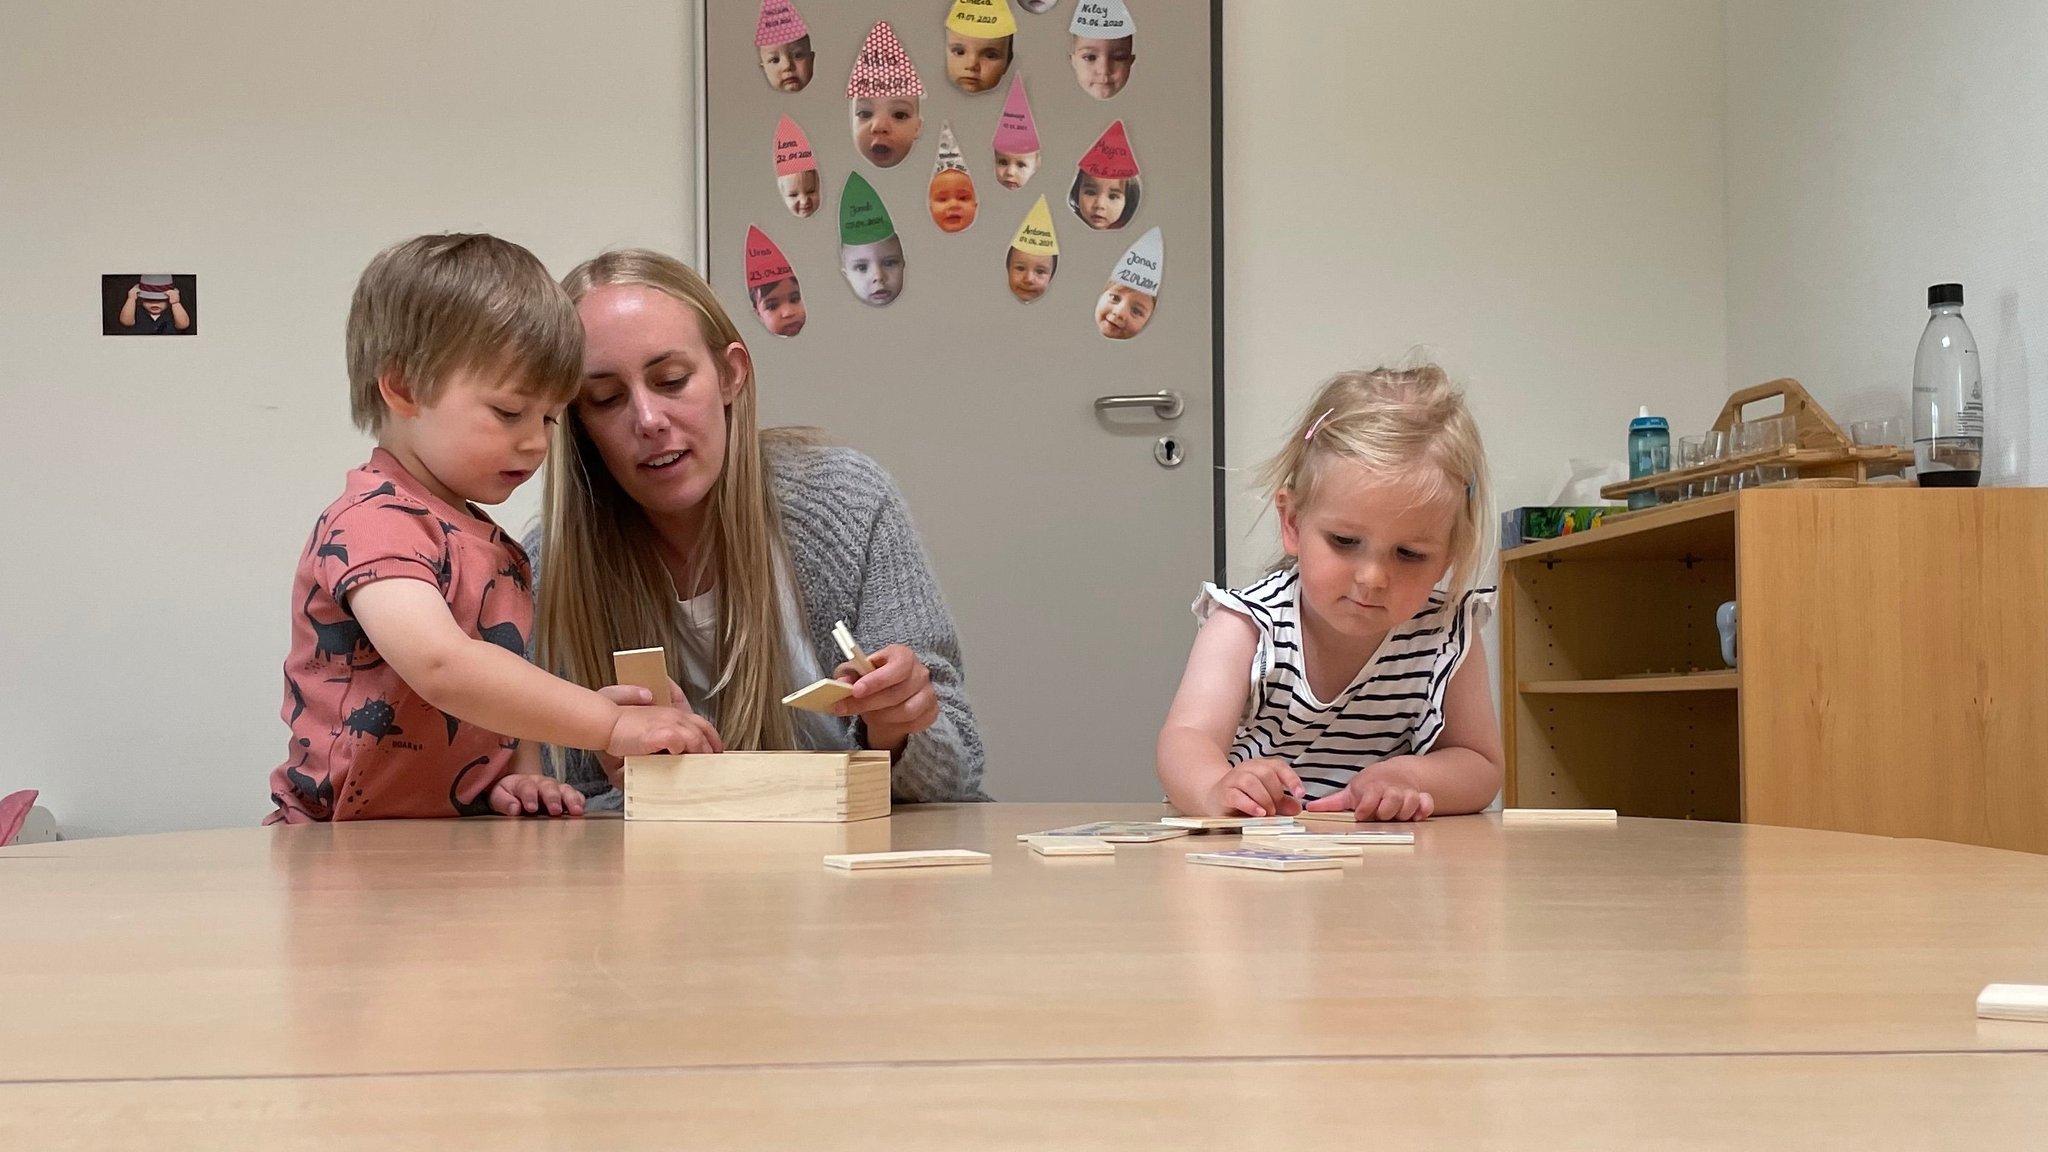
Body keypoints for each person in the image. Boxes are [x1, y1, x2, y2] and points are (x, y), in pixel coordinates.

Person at [268, 234, 712, 825]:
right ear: (402, 388)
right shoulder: (374, 520)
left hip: (445, 848)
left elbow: (502, 677)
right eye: (508, 412)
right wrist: (609, 723)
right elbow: (444, 667)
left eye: (550, 417)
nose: (535, 441)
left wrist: (522, 775)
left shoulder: (492, 544)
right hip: (336, 845)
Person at [528, 248, 986, 806]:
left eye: (671, 380)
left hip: (855, 870)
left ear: (730, 375)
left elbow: (956, 778)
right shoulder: (547, 567)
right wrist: (640, 787)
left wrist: (894, 733)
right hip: (669, 881)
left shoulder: (848, 501)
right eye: (605, 398)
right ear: (576, 423)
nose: (648, 421)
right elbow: (564, 802)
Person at [1156, 364, 1502, 823]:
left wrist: (1414, 778)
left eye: (1410, 553)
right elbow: (1186, 739)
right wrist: (1215, 790)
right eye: (1344, 542)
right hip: (1253, 852)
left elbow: (1480, 765)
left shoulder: (1446, 632)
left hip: (1388, 869)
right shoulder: (1246, 624)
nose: (1373, 578)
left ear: (1450, 556)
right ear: (1293, 523)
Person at [119, 276, 191, 334]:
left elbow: (183, 325)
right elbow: (126, 322)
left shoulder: (172, 313)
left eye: (161, 300)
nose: (154, 303)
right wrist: (131, 300)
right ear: (140, 300)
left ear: (169, 301)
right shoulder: (137, 312)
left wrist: (176, 303)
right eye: (148, 299)